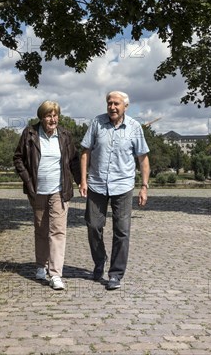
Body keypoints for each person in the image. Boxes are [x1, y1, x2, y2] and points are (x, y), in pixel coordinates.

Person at [79, 91, 150, 290]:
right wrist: (83, 180)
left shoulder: (134, 127)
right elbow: (85, 152)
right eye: (109, 103)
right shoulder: (97, 123)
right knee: (93, 226)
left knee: (122, 231)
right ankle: (100, 261)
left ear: (125, 106)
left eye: (116, 104)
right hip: (97, 184)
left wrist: (144, 187)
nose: (112, 107)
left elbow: (143, 159)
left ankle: (115, 274)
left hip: (123, 185)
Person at [13, 100, 81, 290]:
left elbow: (74, 161)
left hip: (60, 190)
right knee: (41, 229)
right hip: (37, 190)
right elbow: (18, 158)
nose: (53, 119)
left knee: (57, 231)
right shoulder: (30, 133)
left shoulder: (65, 135)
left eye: (55, 115)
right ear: (41, 118)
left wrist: (82, 182)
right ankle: (40, 266)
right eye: (48, 115)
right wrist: (27, 180)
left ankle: (55, 274)